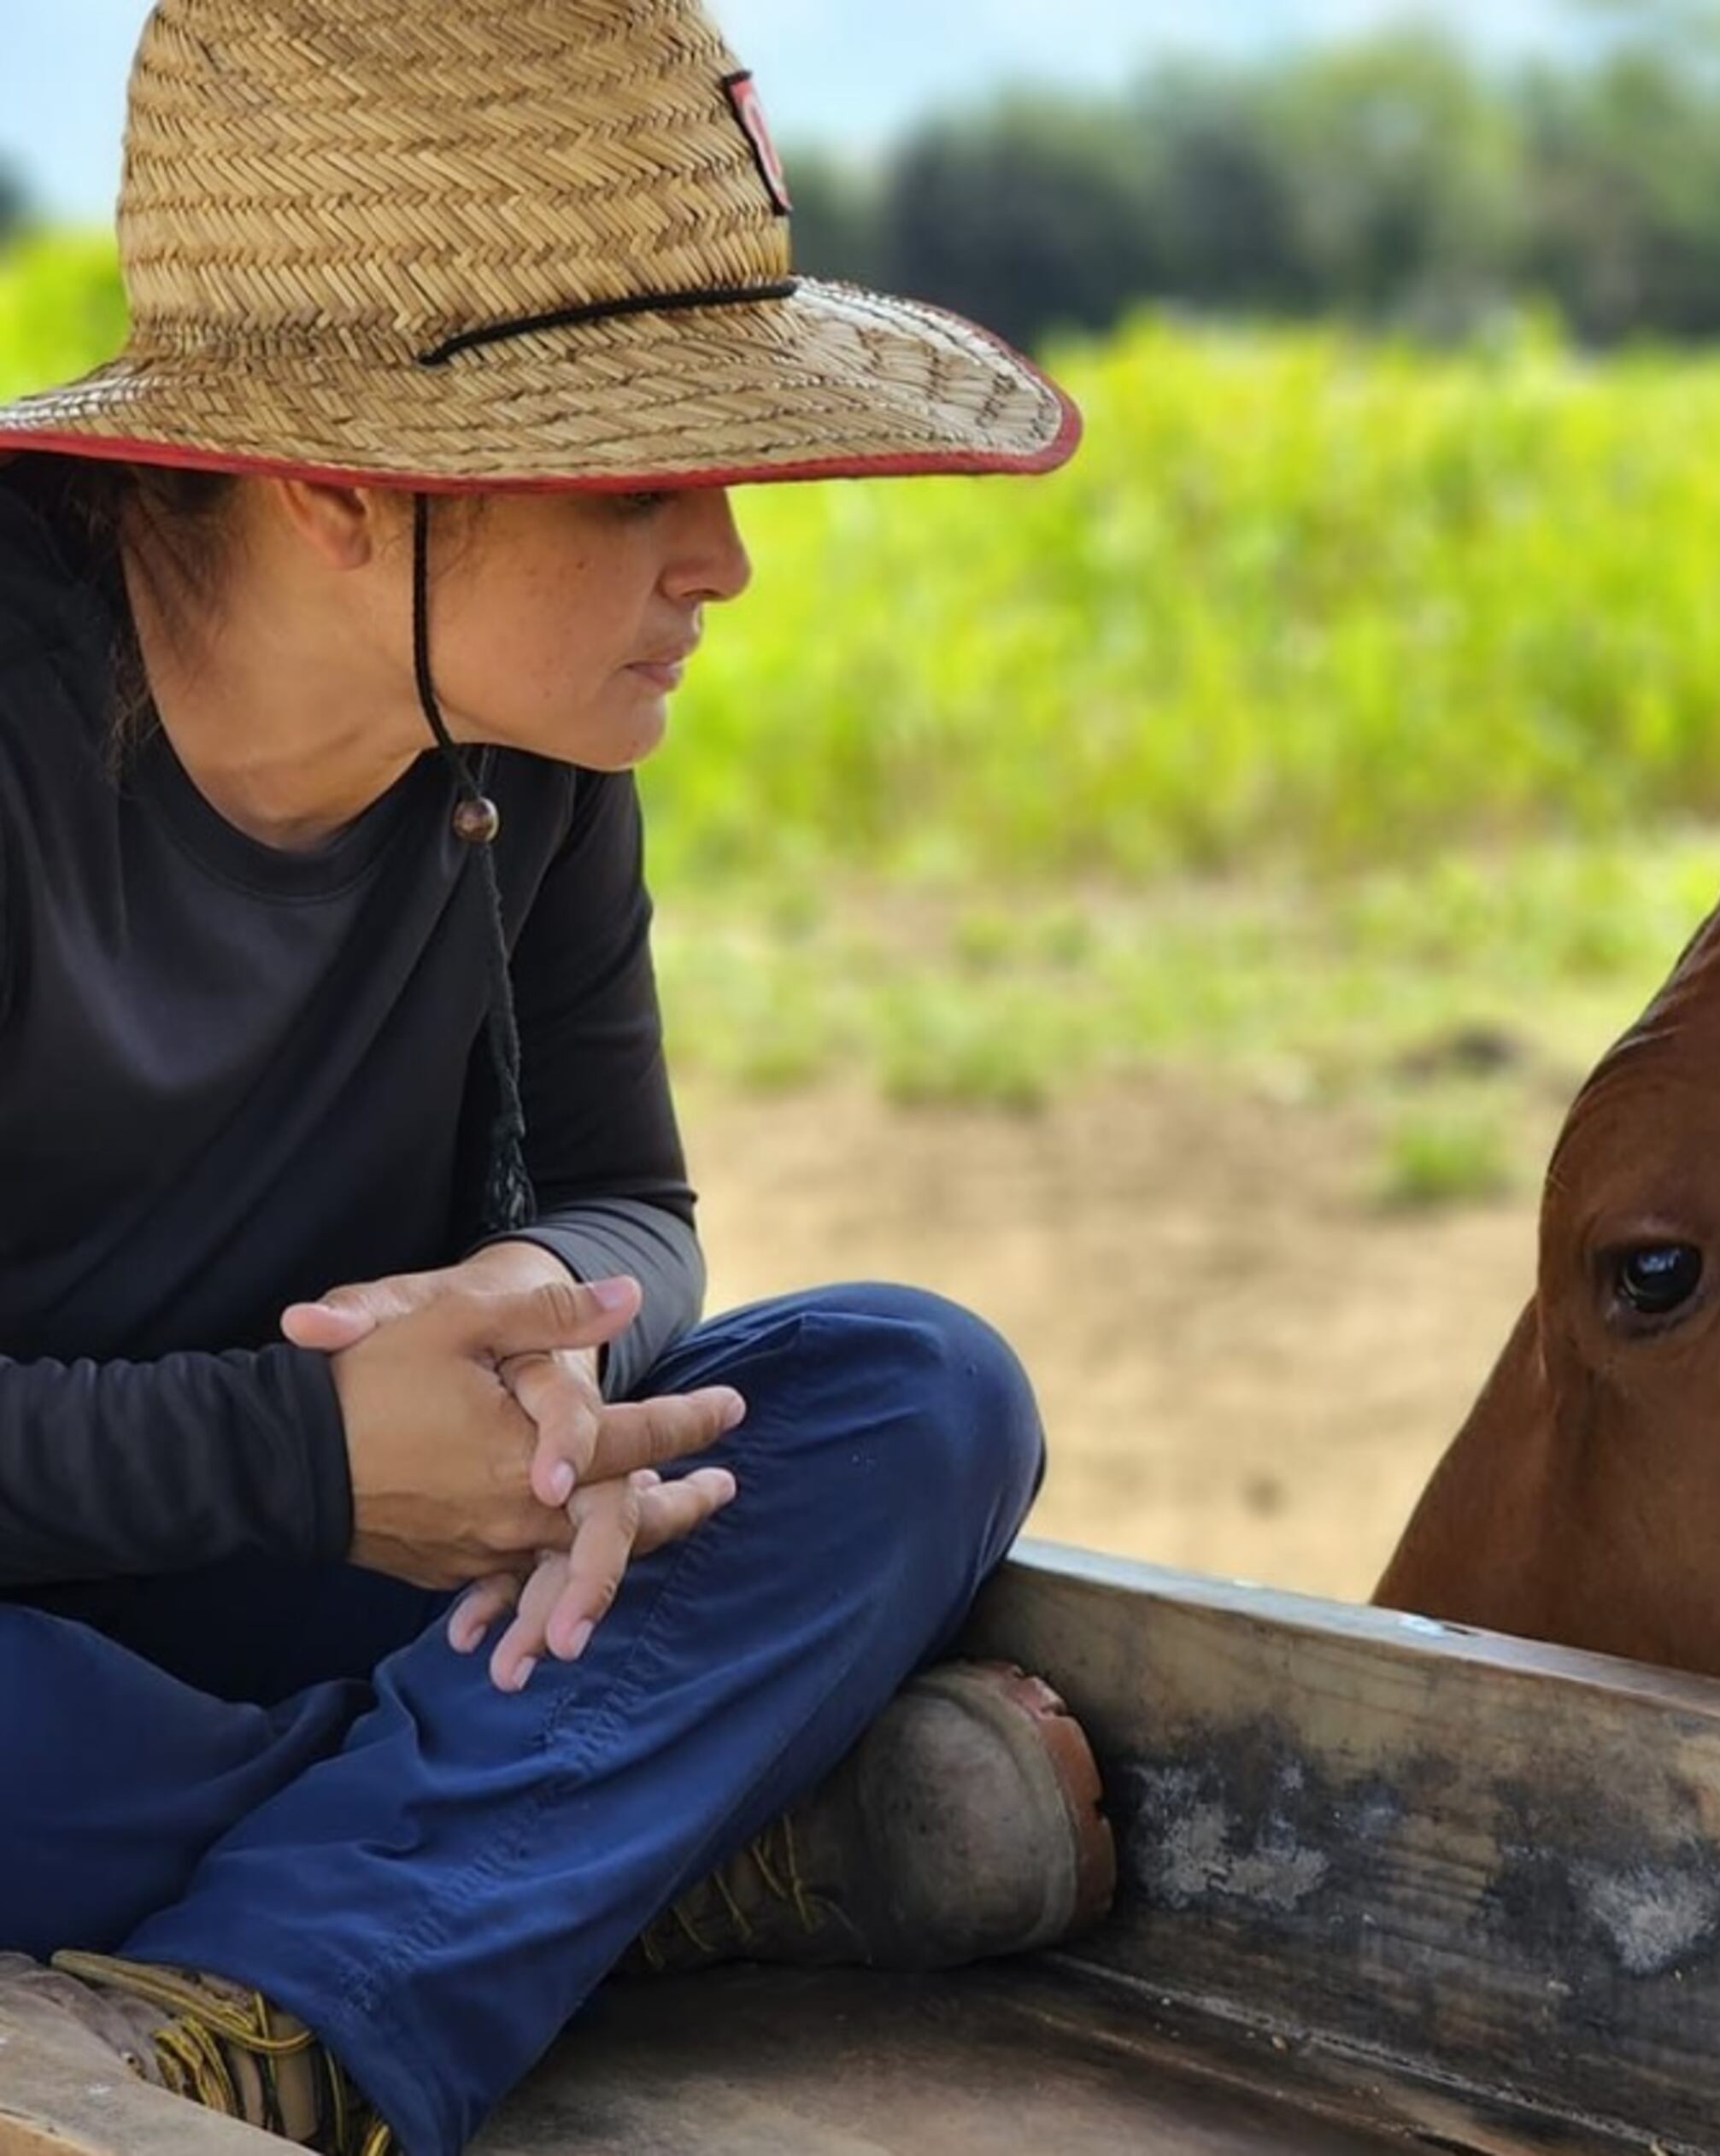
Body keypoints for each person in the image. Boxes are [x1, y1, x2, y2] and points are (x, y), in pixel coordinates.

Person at [0, 3, 1114, 2152]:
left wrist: (540, 1342)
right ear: (335, 482)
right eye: (634, 481)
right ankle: (575, 1869)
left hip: (366, 1568)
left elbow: (633, 1202)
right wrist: (310, 1453)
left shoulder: (528, 736)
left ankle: (423, 1887)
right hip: (77, 1603)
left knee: (918, 1392)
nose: (722, 560)